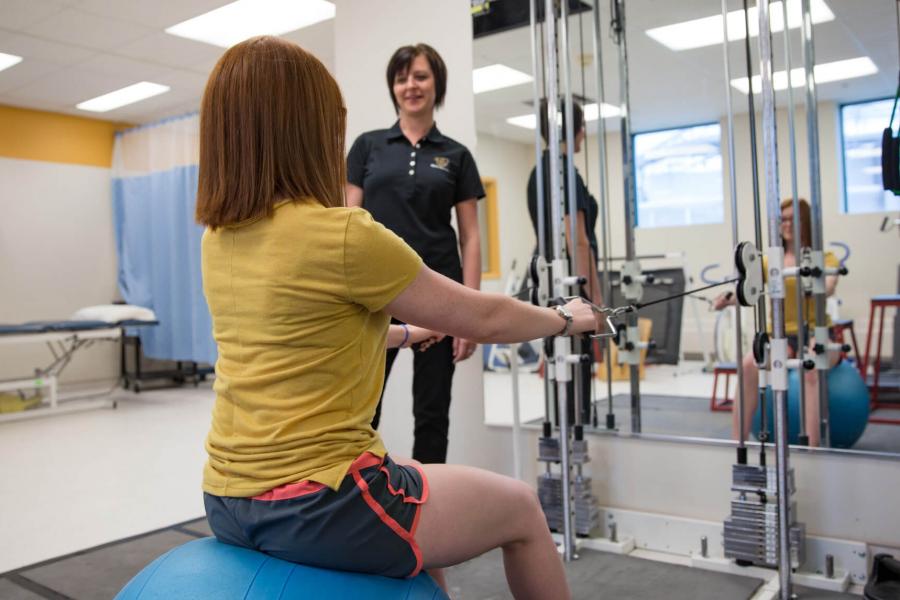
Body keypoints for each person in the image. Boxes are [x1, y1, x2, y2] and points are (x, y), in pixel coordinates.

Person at [196, 36, 600, 599]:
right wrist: (566, 318)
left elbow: (307, 332)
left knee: (414, 471)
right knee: (522, 509)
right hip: (316, 505)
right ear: (309, 131)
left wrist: (412, 331)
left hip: (226, 498)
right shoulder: (343, 234)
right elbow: (484, 318)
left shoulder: (219, 238)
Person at [345, 43, 484, 465]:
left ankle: (432, 511)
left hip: (438, 297)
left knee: (432, 413)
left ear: (436, 83)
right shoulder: (367, 147)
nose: (411, 86)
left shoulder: (457, 155)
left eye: (420, 76)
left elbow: (471, 237)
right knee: (362, 413)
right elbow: (349, 223)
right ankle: (360, 498)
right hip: (376, 298)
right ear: (393, 86)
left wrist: (470, 314)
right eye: (402, 78)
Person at [713, 198, 840, 447]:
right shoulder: (768, 262)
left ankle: (812, 449)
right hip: (780, 335)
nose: (787, 224)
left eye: (794, 219)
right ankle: (736, 443)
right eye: (783, 219)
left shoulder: (824, 257)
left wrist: (816, 280)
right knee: (749, 365)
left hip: (818, 333)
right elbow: (749, 291)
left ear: (805, 222)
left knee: (811, 369)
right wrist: (727, 299)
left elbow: (829, 287)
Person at [527, 99, 603, 422]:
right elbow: (579, 242)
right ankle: (574, 443)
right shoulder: (564, 173)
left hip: (550, 290)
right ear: (574, 131)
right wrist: (595, 305)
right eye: (582, 126)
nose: (584, 133)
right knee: (575, 382)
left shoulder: (537, 172)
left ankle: (564, 440)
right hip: (572, 291)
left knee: (560, 376)